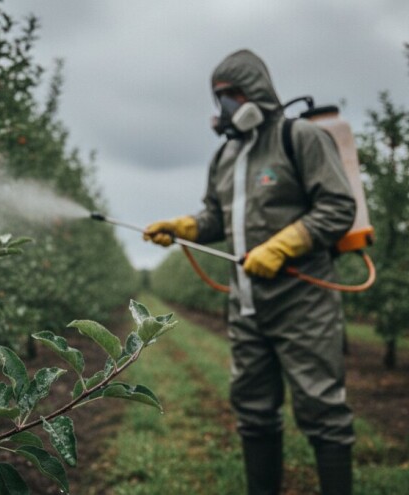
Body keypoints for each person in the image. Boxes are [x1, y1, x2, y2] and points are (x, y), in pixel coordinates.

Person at [143, 49, 357, 495]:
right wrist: (184, 228)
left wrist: (283, 245)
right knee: (253, 410)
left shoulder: (299, 139)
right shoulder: (225, 158)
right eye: (218, 96)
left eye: (231, 94)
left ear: (256, 92)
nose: (224, 105)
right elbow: (216, 218)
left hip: (303, 301)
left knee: (322, 410)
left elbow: (338, 207)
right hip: (245, 303)